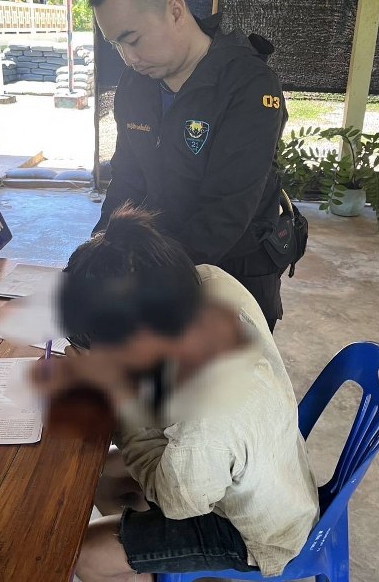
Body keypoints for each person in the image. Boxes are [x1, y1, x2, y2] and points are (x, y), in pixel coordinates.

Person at [32, 206, 319, 582]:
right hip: (268, 472)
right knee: (100, 473)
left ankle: (141, 567)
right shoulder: (209, 282)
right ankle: (147, 560)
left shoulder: (208, 418)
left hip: (256, 530)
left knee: (85, 556)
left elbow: (178, 502)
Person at [91, 0, 290, 331]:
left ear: (176, 11)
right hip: (162, 258)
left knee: (224, 366)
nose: (129, 58)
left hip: (234, 273)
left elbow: (226, 211)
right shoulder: (135, 84)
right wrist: (98, 254)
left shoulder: (248, 83)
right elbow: (127, 181)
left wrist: (149, 281)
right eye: (116, 45)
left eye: (133, 39)